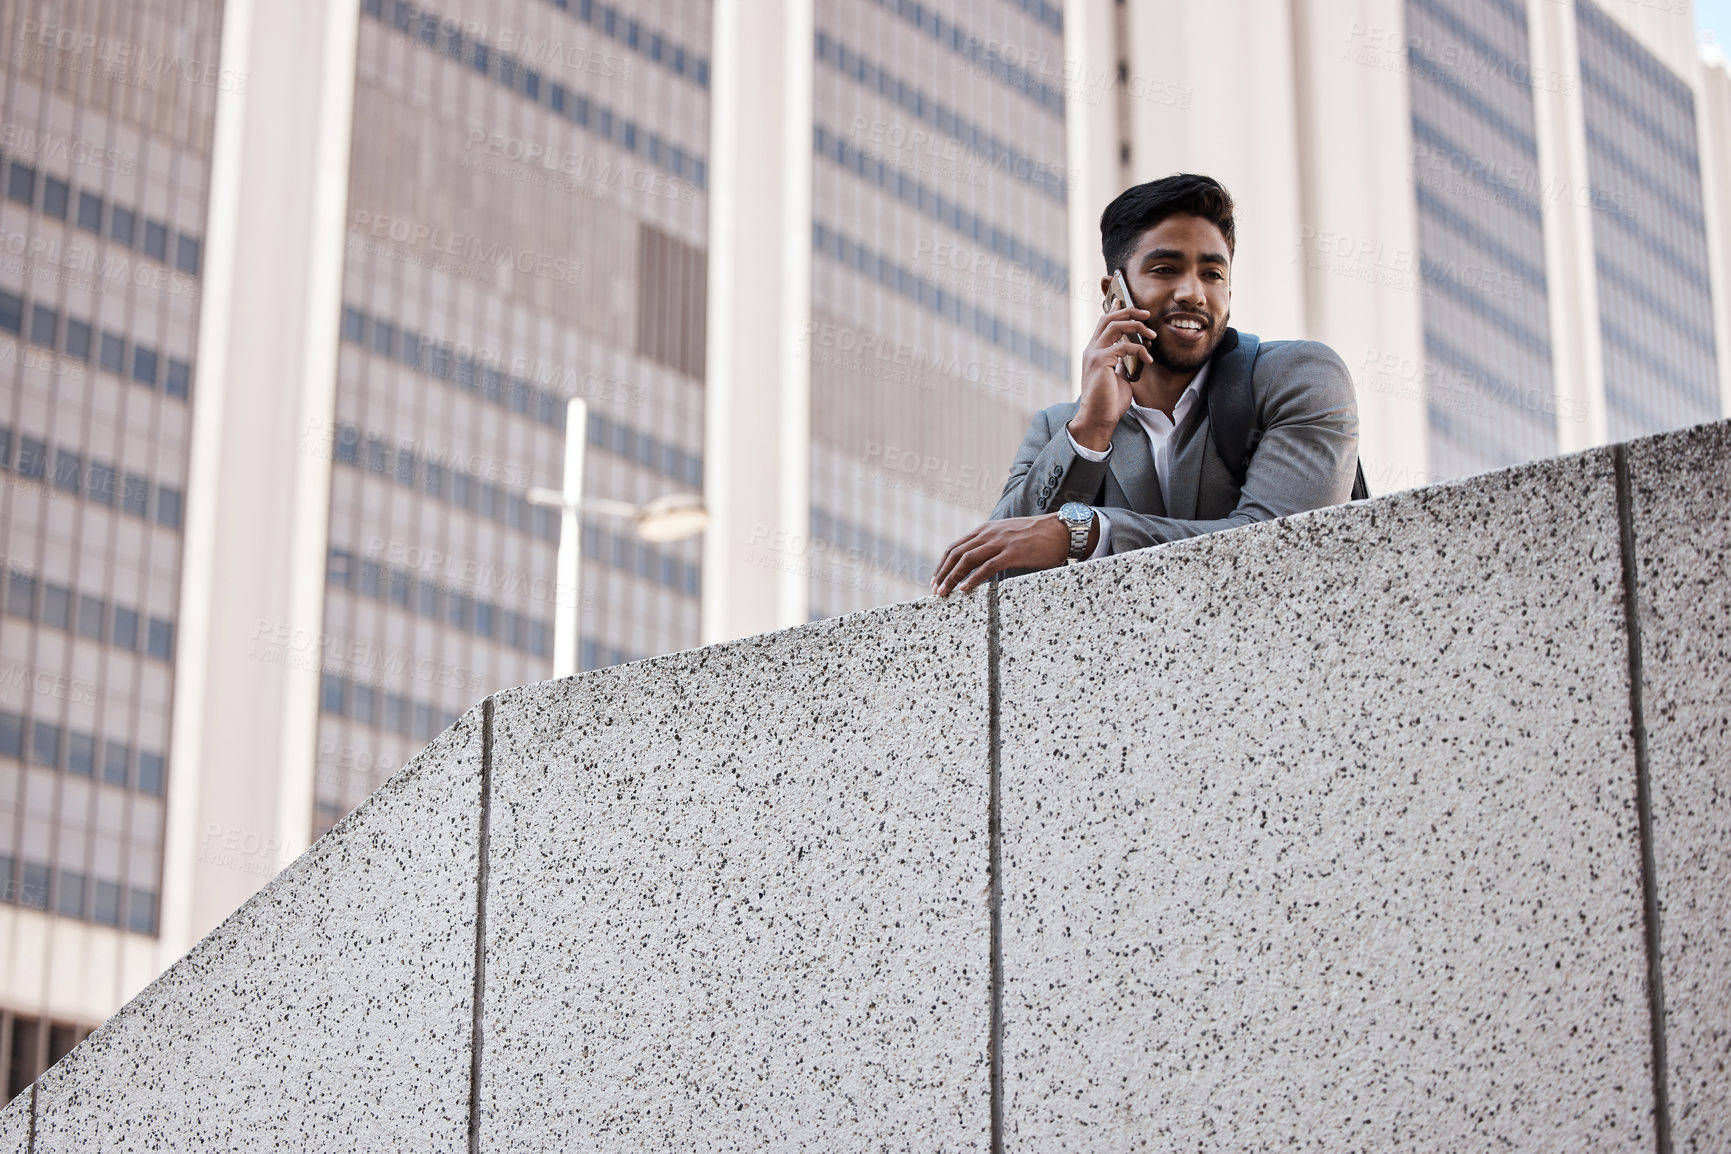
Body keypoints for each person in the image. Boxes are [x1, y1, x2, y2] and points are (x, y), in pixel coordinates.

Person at [930, 173, 1360, 596]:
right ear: (1114, 293)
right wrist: (1090, 432)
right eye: (1166, 269)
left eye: (1212, 274)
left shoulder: (1300, 377)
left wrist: (1085, 533)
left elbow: (1281, 548)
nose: (1193, 292)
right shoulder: (1056, 429)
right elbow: (994, 575)